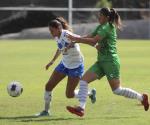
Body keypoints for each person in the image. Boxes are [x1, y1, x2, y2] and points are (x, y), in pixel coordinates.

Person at [66, 8, 149, 117]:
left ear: (107, 17)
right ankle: (81, 108)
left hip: (110, 62)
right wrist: (76, 39)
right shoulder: (101, 27)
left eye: (100, 15)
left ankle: (142, 98)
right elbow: (90, 36)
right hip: (101, 62)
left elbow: (94, 40)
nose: (98, 17)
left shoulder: (107, 27)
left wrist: (78, 40)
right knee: (83, 81)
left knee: (117, 90)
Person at [35, 17, 96, 117]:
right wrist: (52, 61)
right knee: (48, 86)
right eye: (50, 30)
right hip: (64, 64)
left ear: (59, 28)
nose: (51, 33)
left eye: (52, 30)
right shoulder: (56, 37)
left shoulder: (66, 34)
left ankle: (89, 93)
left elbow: (80, 39)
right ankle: (46, 111)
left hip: (76, 66)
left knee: (69, 94)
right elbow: (60, 48)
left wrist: (72, 43)